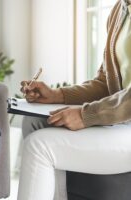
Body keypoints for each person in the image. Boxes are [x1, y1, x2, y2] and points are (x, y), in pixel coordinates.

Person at [18, 0, 131, 199]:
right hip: (121, 122)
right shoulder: (119, 10)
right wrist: (57, 95)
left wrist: (86, 115)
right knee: (33, 122)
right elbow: (105, 82)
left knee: (38, 145)